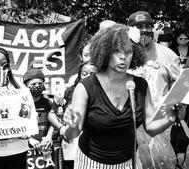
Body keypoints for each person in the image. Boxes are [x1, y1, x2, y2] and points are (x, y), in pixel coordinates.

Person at [60, 24, 182, 169]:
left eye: (128, 52)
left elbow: (150, 126)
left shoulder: (140, 86)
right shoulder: (87, 87)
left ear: (135, 54)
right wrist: (72, 126)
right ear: (105, 52)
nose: (123, 57)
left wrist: (170, 118)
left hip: (127, 163)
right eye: (116, 51)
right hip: (90, 162)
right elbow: (73, 133)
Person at [127, 11, 184, 168]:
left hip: (162, 124)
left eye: (148, 26)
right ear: (130, 29)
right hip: (131, 125)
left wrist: (177, 107)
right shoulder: (124, 55)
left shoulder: (168, 55)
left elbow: (182, 84)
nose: (144, 30)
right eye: (139, 26)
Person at [48, 61, 98, 169]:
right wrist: (61, 128)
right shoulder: (69, 92)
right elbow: (51, 114)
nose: (88, 77)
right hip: (71, 146)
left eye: (93, 74)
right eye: (84, 74)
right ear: (79, 74)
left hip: (95, 148)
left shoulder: (104, 94)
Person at [22, 68, 53, 151]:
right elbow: (19, 125)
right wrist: (29, 139)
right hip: (26, 147)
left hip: (44, 146)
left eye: (40, 83)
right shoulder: (22, 104)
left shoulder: (48, 103)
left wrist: (48, 137)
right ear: (26, 86)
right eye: (33, 84)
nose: (37, 86)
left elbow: (52, 123)